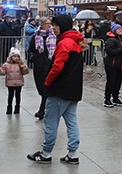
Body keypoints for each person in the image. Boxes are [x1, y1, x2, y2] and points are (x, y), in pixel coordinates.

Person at [27, 14, 83, 165]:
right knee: (71, 121)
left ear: (63, 26)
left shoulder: (64, 43)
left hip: (60, 89)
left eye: (56, 25)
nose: (53, 27)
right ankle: (73, 153)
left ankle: (46, 153)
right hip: (73, 89)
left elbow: (58, 66)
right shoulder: (75, 41)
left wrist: (48, 81)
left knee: (51, 121)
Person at [29, 18, 55, 119]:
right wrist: (33, 58)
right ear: (41, 24)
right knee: (40, 88)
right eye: (46, 24)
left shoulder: (53, 36)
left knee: (46, 88)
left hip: (50, 65)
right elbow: (30, 50)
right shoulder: (35, 36)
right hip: (39, 65)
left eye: (50, 24)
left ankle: (42, 110)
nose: (49, 26)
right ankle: (44, 108)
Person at [0, 47, 29, 114]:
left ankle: (17, 107)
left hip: (19, 83)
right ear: (11, 57)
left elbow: (25, 72)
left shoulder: (20, 64)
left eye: (17, 56)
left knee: (18, 96)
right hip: (10, 83)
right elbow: (2, 72)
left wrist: (24, 68)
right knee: (10, 96)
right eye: (14, 56)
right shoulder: (6, 65)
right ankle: (9, 107)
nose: (16, 58)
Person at [103, 23, 122, 108]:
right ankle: (107, 98)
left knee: (118, 82)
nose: (121, 31)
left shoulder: (121, 39)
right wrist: (121, 50)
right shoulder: (111, 40)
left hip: (120, 64)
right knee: (111, 82)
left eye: (121, 29)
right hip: (111, 64)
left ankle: (115, 98)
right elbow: (110, 52)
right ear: (114, 30)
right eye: (119, 29)